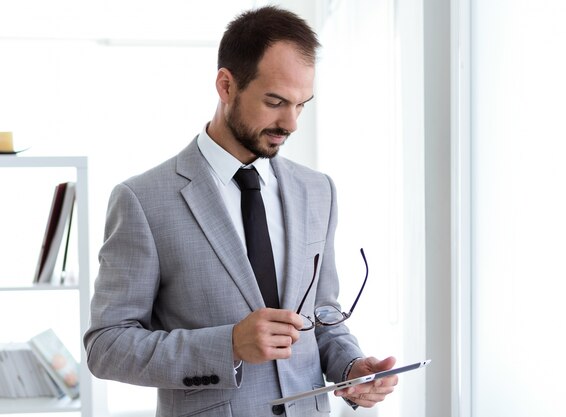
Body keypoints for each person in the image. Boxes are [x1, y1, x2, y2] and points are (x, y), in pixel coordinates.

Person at [84, 5, 397, 416]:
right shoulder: (142, 200)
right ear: (226, 85)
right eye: (275, 101)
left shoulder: (318, 191)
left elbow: (324, 316)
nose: (291, 123)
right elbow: (107, 346)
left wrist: (352, 367)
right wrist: (228, 344)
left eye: (302, 104)